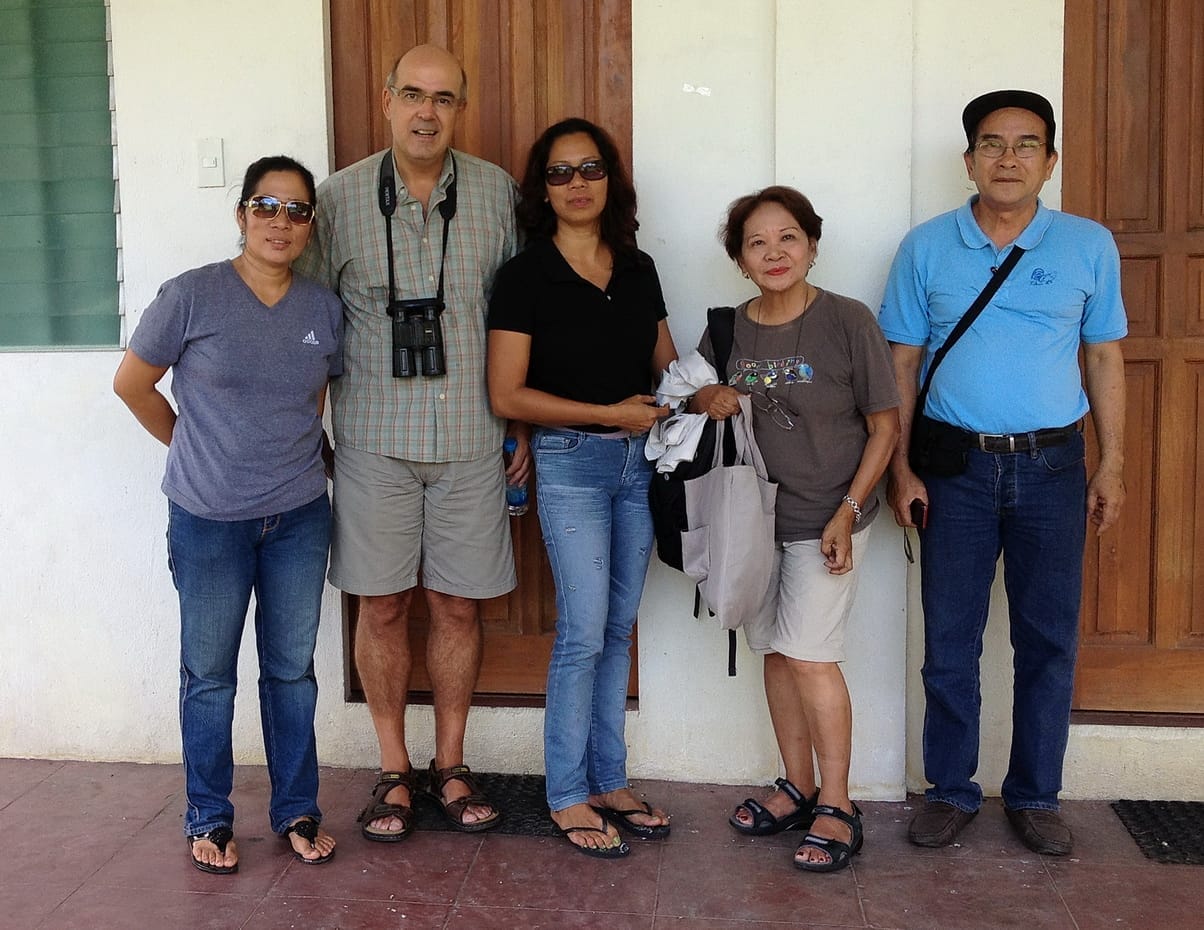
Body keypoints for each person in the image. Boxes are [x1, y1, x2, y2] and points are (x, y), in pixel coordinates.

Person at [879, 90, 1127, 857]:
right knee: (949, 640)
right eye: (992, 144)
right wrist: (899, 468)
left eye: (1026, 145)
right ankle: (951, 791)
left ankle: (1034, 796)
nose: (1009, 158)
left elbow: (1105, 355)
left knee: (1047, 640)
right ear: (969, 160)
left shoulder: (1088, 244)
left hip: (1054, 467)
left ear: (1049, 161)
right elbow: (902, 363)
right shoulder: (926, 247)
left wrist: (1111, 462)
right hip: (953, 467)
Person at [294, 44, 522, 841]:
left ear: (462, 108)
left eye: (445, 99)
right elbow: (309, 321)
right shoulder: (339, 199)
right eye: (414, 96)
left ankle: (450, 766)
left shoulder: (498, 195)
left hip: (470, 435)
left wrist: (519, 418)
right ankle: (394, 768)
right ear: (387, 100)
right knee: (382, 604)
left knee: (457, 605)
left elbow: (522, 319)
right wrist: (303, 426)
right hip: (371, 439)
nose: (428, 113)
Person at [113, 155, 342, 873]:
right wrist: (192, 444)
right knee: (209, 676)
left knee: (291, 672)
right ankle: (209, 818)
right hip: (209, 519)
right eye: (266, 206)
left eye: (296, 210)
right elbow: (133, 384)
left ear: (310, 226)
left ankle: (296, 810)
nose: (280, 222)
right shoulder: (191, 296)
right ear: (242, 214)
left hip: (299, 517)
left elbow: (315, 400)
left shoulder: (321, 308)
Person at [692, 187, 900, 873]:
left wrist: (848, 509)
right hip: (752, 524)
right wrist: (705, 395)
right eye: (757, 243)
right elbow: (684, 395)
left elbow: (884, 426)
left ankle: (838, 804)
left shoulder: (847, 320)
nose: (774, 252)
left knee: (811, 655)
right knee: (777, 654)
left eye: (788, 238)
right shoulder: (728, 332)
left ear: (811, 245)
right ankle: (797, 785)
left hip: (826, 519)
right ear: (740, 260)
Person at [486, 118, 678, 858]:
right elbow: (508, 393)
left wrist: (741, 377)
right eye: (559, 172)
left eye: (589, 169)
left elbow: (667, 366)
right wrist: (606, 414)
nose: (575, 184)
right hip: (570, 463)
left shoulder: (637, 267)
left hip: (639, 466)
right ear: (541, 187)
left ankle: (609, 778)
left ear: (611, 181)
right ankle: (566, 791)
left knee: (616, 629)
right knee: (581, 630)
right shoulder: (524, 275)